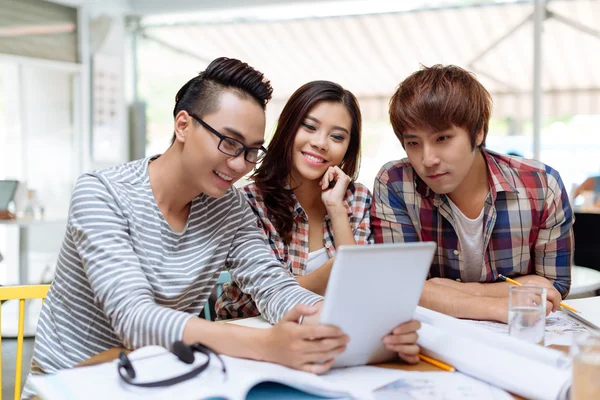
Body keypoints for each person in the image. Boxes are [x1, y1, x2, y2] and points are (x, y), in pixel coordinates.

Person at [23, 58, 418, 396]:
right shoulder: (101, 194)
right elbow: (135, 319)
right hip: (75, 381)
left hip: (166, 375)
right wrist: (267, 344)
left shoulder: (227, 205)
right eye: (229, 143)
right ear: (183, 125)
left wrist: (360, 325)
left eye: (251, 151)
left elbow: (272, 284)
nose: (239, 164)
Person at [215, 80, 420, 364]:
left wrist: (336, 208)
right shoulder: (248, 201)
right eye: (309, 127)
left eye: (337, 137)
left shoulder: (357, 198)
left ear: (348, 149)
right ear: (288, 129)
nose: (320, 143)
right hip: (249, 342)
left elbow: (360, 289)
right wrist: (337, 269)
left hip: (334, 339)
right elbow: (267, 294)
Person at [371, 65, 573, 323]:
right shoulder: (396, 182)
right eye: (413, 143)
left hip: (522, 338)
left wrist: (447, 290)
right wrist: (501, 304)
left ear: (478, 133)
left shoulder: (541, 184)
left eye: (442, 138)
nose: (427, 159)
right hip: (436, 342)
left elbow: (554, 287)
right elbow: (398, 287)